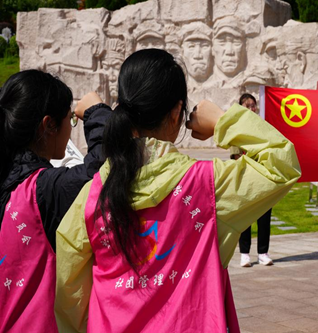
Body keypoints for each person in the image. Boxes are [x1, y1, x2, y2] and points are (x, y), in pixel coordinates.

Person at [55, 49, 301, 333]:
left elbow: (69, 293)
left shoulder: (92, 196)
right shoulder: (208, 187)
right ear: (176, 113)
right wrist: (222, 121)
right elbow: (282, 165)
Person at [0, 70, 111, 332]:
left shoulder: (13, 181)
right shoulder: (42, 190)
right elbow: (103, 169)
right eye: (69, 119)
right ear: (49, 125)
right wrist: (96, 112)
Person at [230, 94, 273, 268]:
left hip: (263, 177)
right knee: (246, 217)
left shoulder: (263, 127)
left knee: (264, 216)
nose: (251, 108)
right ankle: (244, 254)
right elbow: (235, 156)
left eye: (253, 105)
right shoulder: (237, 129)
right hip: (245, 177)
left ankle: (263, 253)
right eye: (247, 105)